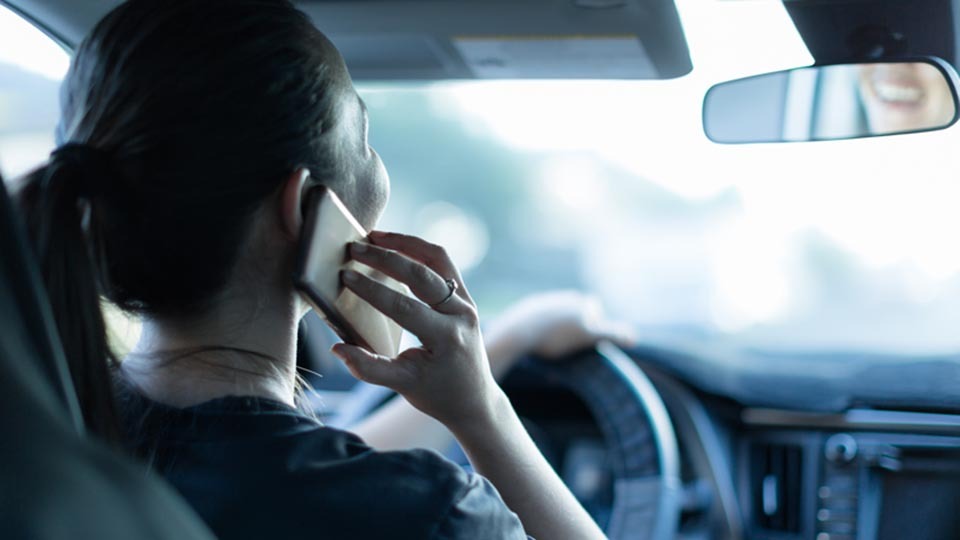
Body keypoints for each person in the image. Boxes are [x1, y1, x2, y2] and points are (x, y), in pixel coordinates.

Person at [14, 1, 626, 538]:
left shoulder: (42, 434)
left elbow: (294, 471)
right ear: (301, 206)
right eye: (364, 139)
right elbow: (319, 485)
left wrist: (509, 340)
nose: (375, 162)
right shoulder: (432, 516)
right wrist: (482, 413)